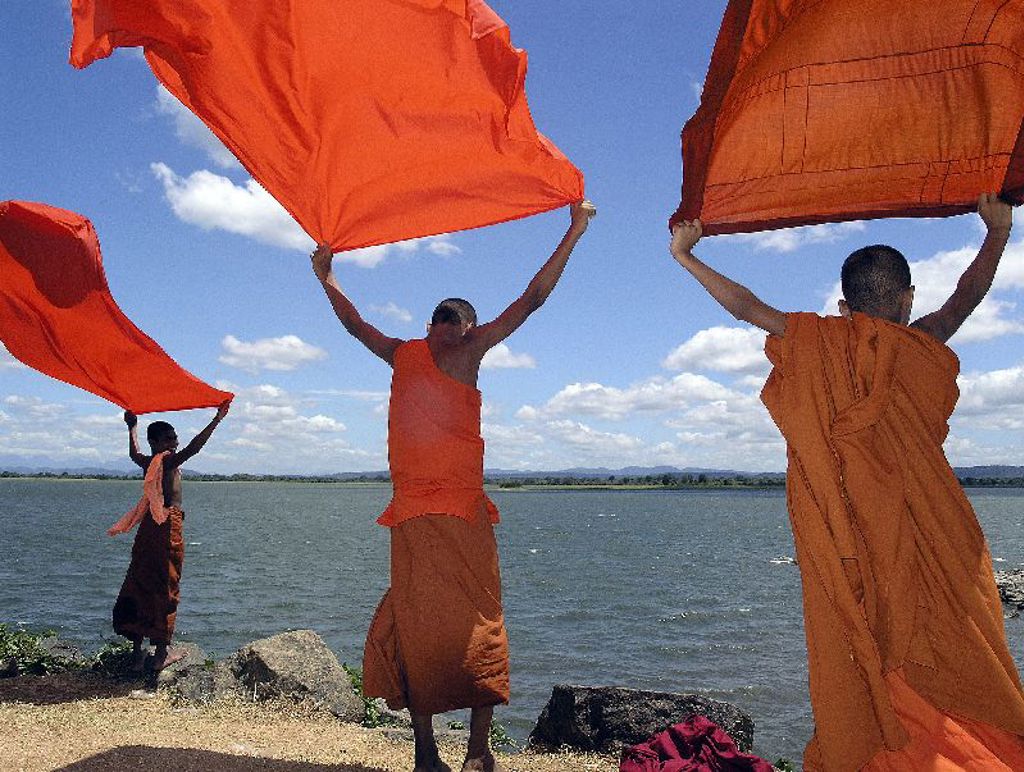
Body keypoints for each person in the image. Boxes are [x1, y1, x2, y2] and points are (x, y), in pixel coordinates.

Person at [670, 193, 1024, 771]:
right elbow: (966, 296)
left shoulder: (819, 341)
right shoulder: (924, 341)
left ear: (843, 305)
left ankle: (878, 745)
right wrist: (998, 232)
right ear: (908, 298)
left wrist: (687, 256)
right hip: (938, 527)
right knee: (964, 642)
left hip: (853, 537)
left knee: (865, 637)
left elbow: (746, 307)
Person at [312, 201, 596, 772]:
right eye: (459, 322)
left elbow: (351, 323)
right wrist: (575, 229)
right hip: (456, 515)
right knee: (479, 621)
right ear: (466, 326)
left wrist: (328, 276)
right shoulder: (466, 350)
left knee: (420, 622)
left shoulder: (404, 353)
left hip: (415, 515)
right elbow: (534, 299)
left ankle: (429, 752)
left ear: (432, 324)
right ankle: (476, 752)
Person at [109, 401, 230, 673]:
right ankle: (161, 653)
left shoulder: (149, 462)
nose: (174, 442)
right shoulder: (165, 461)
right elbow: (194, 448)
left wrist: (132, 427)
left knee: (141, 579)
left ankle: (138, 654)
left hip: (150, 526)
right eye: (168, 438)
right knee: (167, 582)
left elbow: (133, 454)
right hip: (166, 525)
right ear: (156, 442)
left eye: (174, 438)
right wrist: (216, 420)